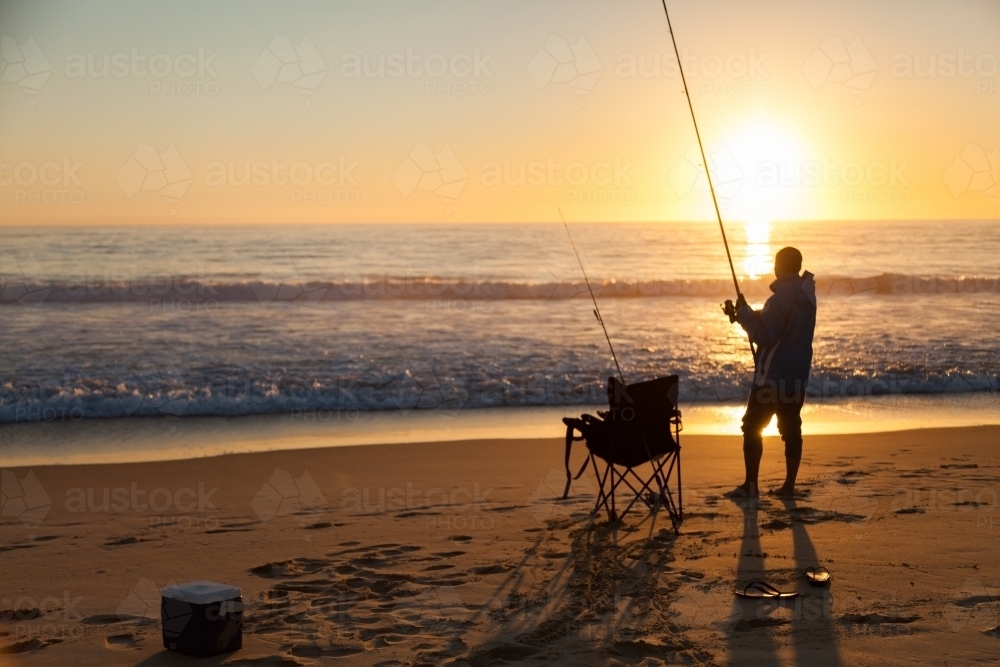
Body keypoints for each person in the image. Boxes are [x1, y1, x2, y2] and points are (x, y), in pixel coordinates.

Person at [722, 247, 816, 499]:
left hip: (771, 378)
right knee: (791, 428)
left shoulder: (779, 299)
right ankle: (789, 486)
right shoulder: (807, 297)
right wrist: (748, 314)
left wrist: (744, 317)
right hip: (797, 377)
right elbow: (781, 326)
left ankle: (751, 486)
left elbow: (767, 335)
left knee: (752, 426)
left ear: (779, 266)